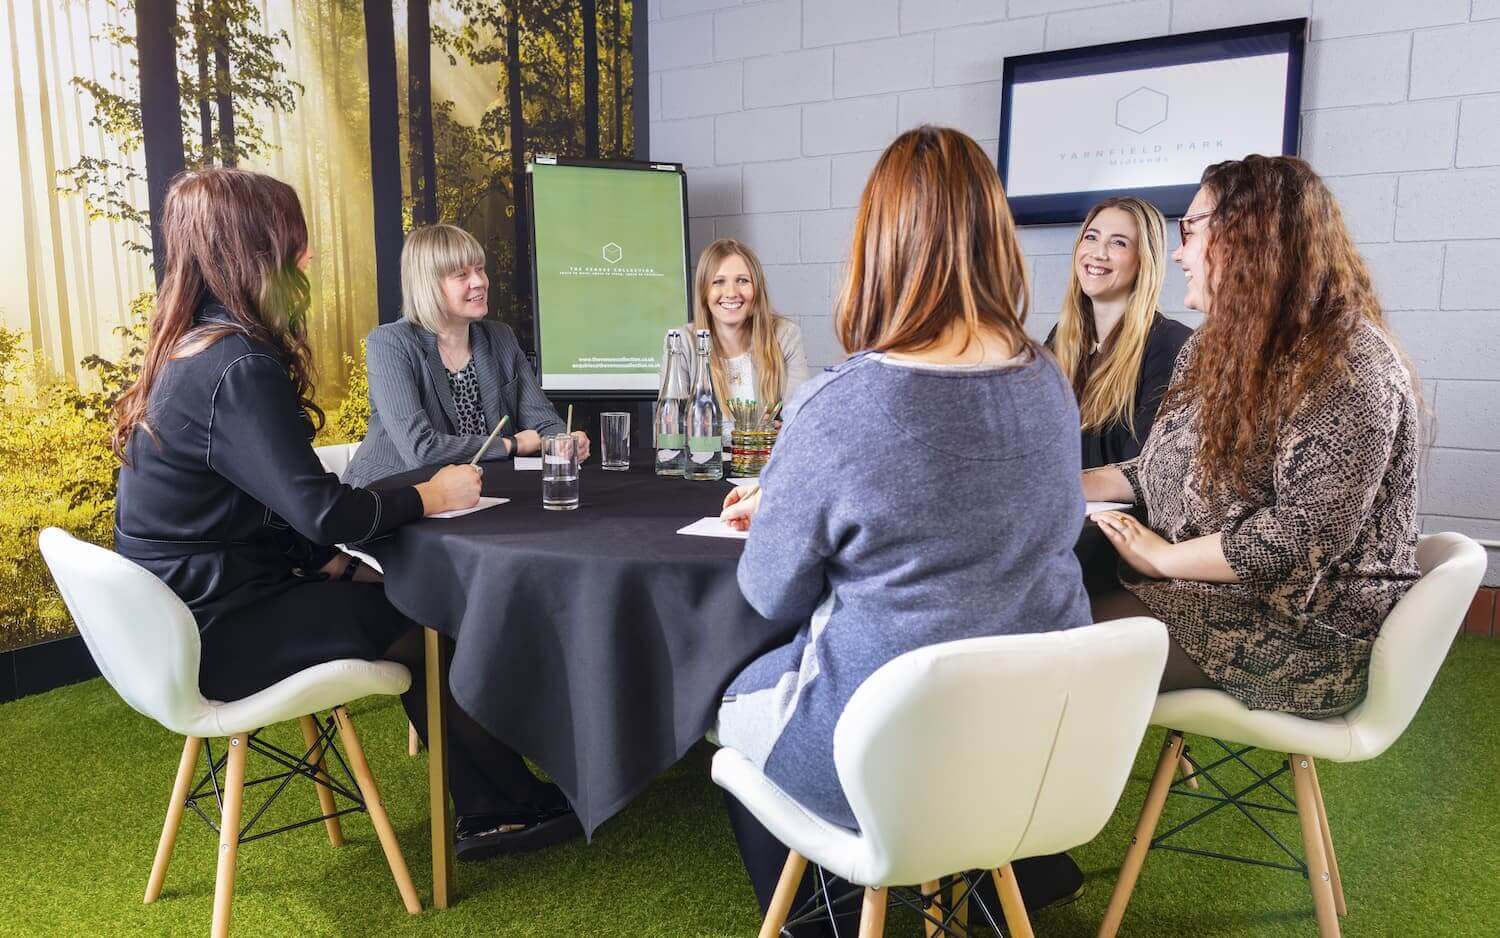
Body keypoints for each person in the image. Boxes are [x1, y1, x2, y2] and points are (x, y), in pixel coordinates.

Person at [112, 169, 580, 860]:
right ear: (252, 252)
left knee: (404, 601)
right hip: (220, 632)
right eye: (294, 243)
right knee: (428, 623)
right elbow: (322, 508)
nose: (307, 259)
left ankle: (497, 800)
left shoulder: (190, 352)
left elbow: (254, 508)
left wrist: (325, 563)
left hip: (181, 616)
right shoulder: (237, 367)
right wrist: (428, 496)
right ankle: (502, 809)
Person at [715, 126, 1093, 932]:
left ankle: (829, 920)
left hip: (888, 753)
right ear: (997, 236)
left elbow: (768, 590)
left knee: (732, 705)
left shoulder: (841, 403)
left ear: (879, 246)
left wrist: (782, 511)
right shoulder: (1050, 382)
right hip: (1035, 747)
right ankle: (978, 888)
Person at [1084, 155, 1421, 717]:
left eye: (1190, 230)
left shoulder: (1348, 363)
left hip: (1299, 633)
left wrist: (1165, 559)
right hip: (1211, 598)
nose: (1178, 251)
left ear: (1250, 238)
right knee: (1040, 610)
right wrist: (1074, 481)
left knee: (1043, 648)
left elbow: (1301, 535)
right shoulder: (1213, 346)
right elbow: (1160, 465)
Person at [344, 223, 589, 488]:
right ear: (429, 286)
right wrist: (512, 444)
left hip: (478, 497)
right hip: (394, 497)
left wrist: (564, 442)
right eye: (461, 274)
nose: (480, 282)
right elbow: (421, 450)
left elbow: (544, 423)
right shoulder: (390, 343)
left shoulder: (501, 337)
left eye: (480, 269)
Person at [1046, 197, 1191, 469]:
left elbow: (1146, 467)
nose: (1098, 253)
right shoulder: (1061, 339)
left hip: (1126, 512)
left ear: (1143, 260)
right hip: (1060, 506)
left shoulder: (1170, 344)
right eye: (1091, 237)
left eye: (1118, 243)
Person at [660, 239, 809, 413]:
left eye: (742, 280)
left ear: (757, 289)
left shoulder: (785, 335)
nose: (731, 293)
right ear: (703, 291)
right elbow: (671, 427)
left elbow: (798, 419)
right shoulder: (681, 342)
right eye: (718, 282)